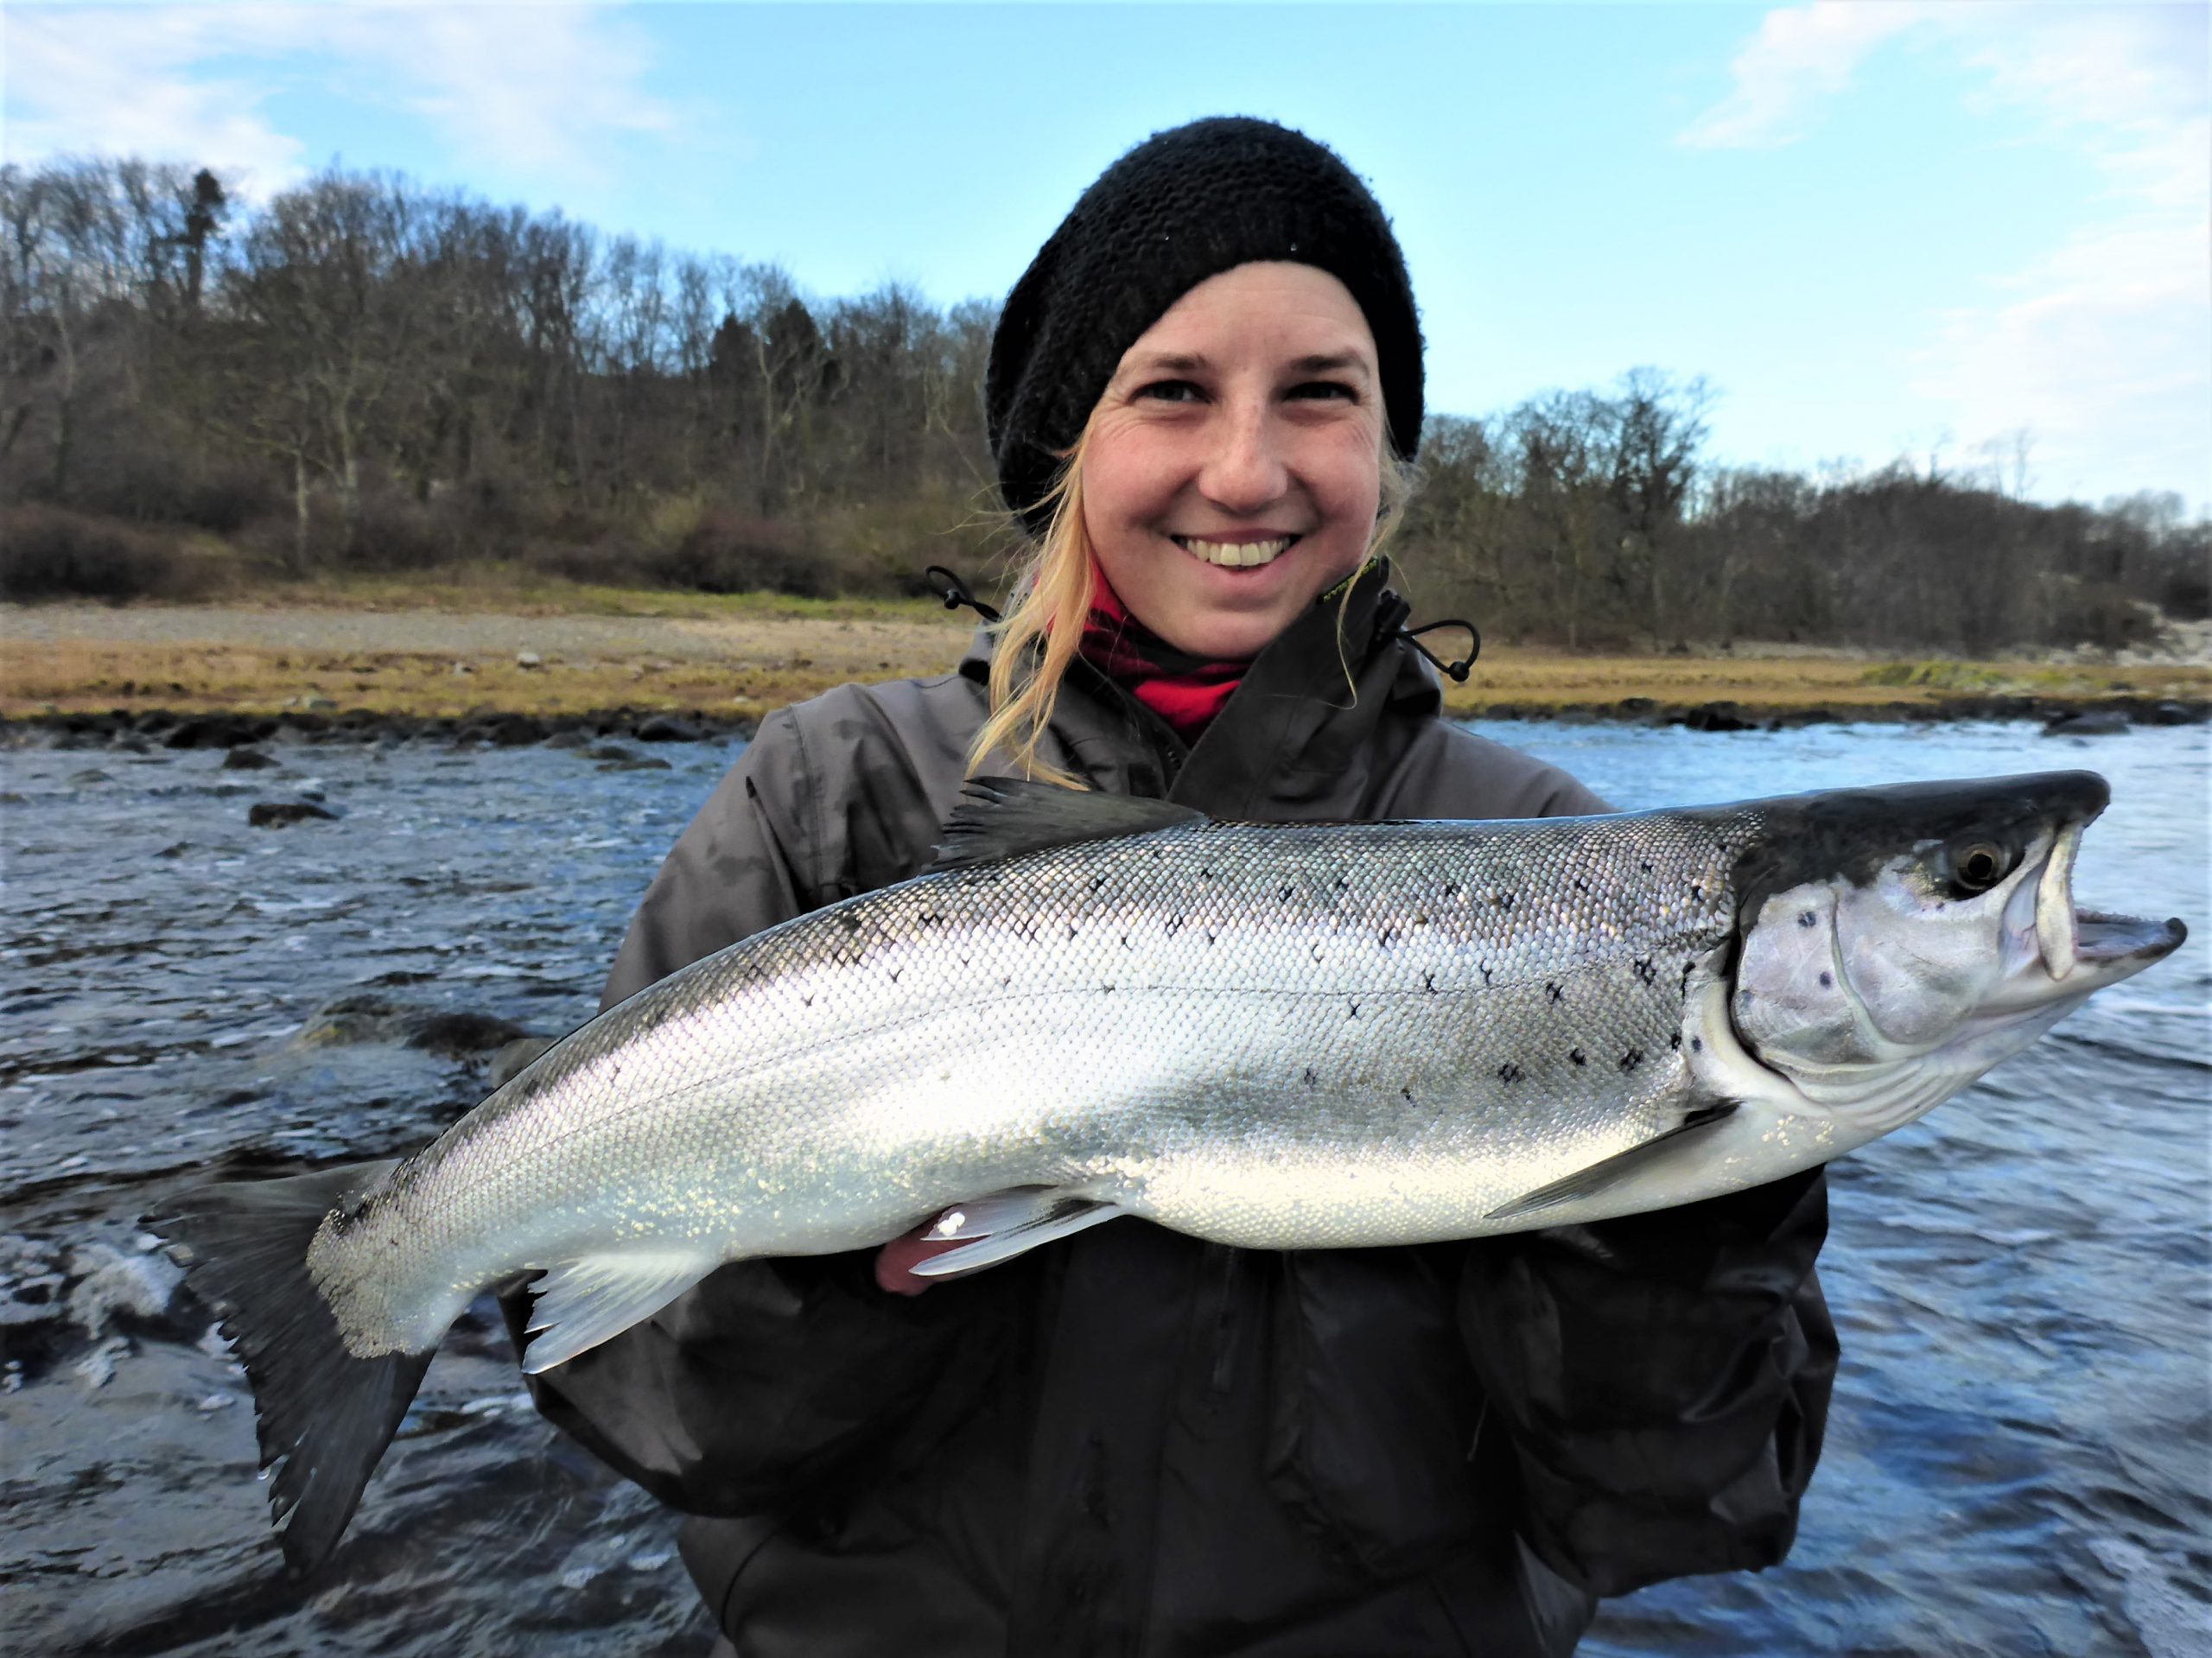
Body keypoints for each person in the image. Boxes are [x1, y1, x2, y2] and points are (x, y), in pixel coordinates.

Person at [509, 117, 1836, 1657]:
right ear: (1072, 445)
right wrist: (838, 1267)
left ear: (1387, 457)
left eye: (1321, 396)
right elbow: (652, 1415)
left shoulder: (1578, 874)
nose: (1249, 468)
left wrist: (1665, 1242)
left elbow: (1691, 1512)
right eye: (1176, 392)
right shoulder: (836, 791)